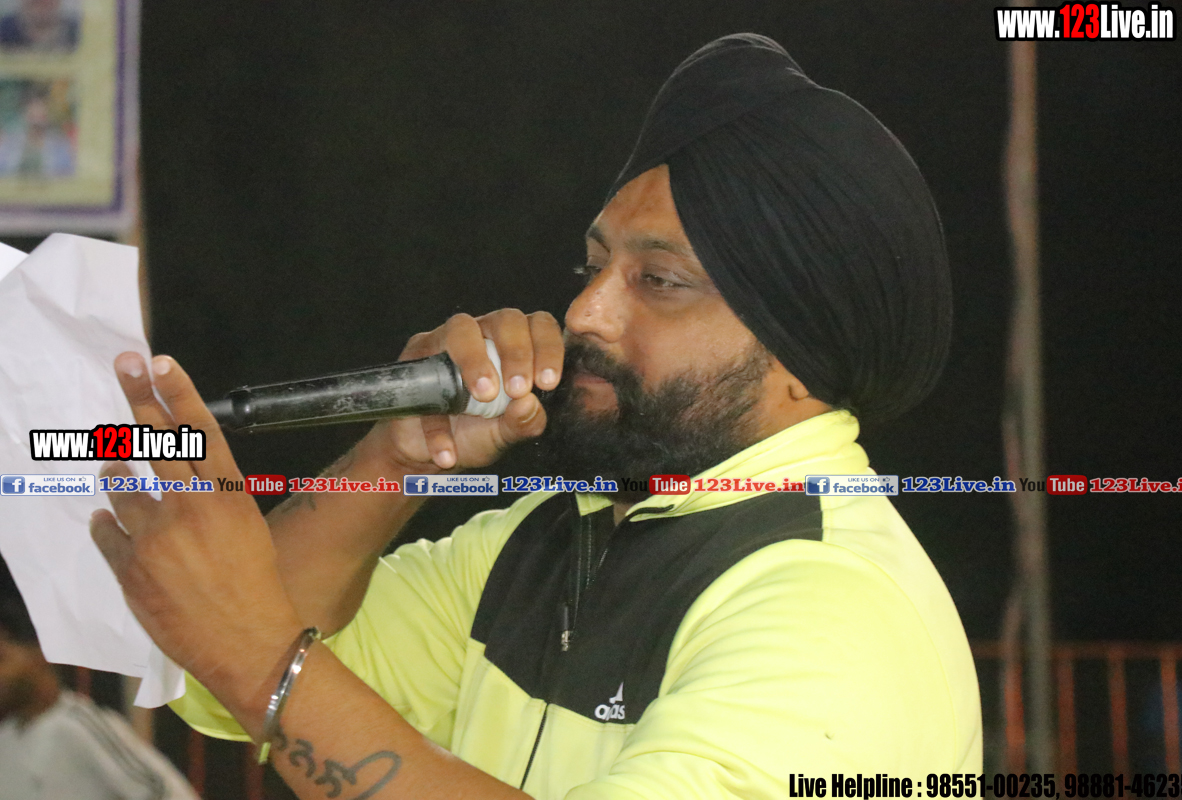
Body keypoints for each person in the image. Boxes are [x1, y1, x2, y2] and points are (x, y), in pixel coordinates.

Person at [89, 34, 982, 799]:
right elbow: (219, 685)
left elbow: (255, 655)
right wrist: (396, 461)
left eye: (659, 281)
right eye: (593, 267)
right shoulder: (545, 542)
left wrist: (258, 656)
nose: (586, 313)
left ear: (800, 355)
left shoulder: (833, 606)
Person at [0, 567, 199, 800]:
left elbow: (167, 795)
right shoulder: (7, 740)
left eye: (2, 659)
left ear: (40, 652)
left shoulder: (78, 726)